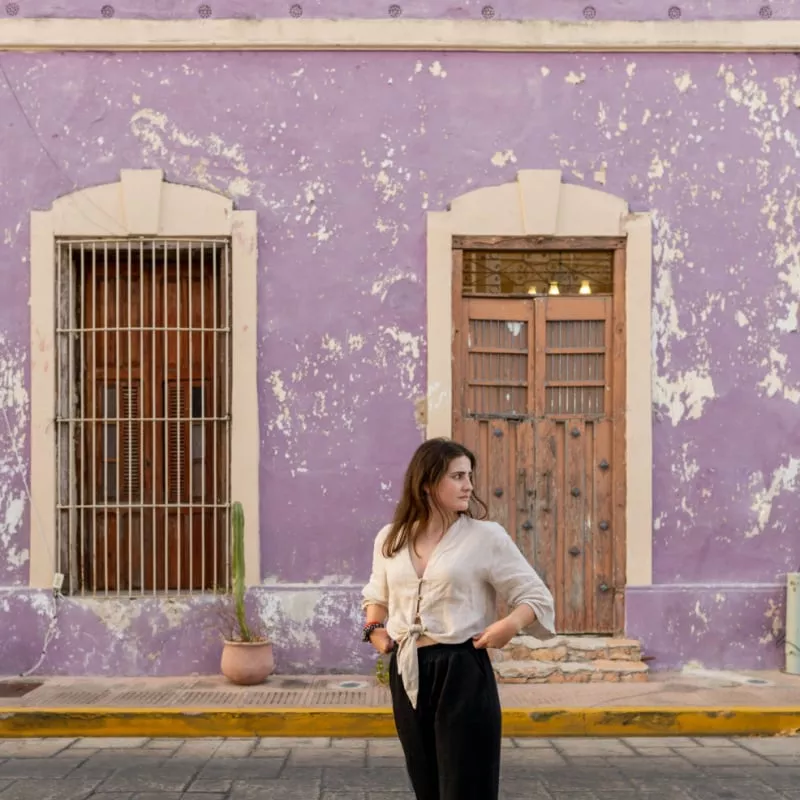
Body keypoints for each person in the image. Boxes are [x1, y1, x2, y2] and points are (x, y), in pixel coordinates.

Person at [361, 437, 555, 800]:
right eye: (457, 476)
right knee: (426, 782)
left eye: (469, 475)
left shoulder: (485, 536)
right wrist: (375, 629)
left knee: (466, 787)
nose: (469, 485)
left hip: (462, 668)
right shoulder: (390, 538)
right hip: (407, 669)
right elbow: (377, 593)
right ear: (427, 483)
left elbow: (536, 596)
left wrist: (507, 627)